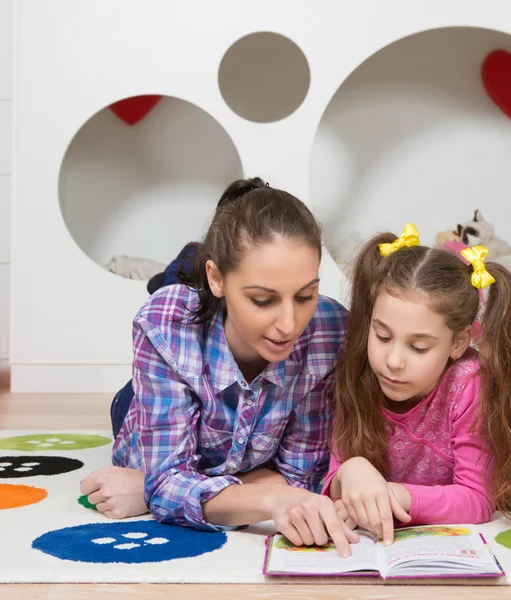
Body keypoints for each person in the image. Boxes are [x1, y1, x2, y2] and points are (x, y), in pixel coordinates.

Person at [80, 177, 359, 557]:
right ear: (217, 278)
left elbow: (302, 475)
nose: (290, 325)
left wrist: (153, 488)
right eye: (263, 300)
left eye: (305, 295)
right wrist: (267, 498)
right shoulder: (165, 326)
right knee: (173, 291)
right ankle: (185, 266)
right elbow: (167, 482)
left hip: (228, 439)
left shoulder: (328, 329)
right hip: (139, 405)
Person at [323, 223, 511, 546]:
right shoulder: (359, 369)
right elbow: (333, 481)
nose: (393, 360)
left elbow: (477, 500)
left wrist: (395, 494)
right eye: (382, 335)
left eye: (419, 347)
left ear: (458, 343)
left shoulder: (468, 383)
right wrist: (350, 471)